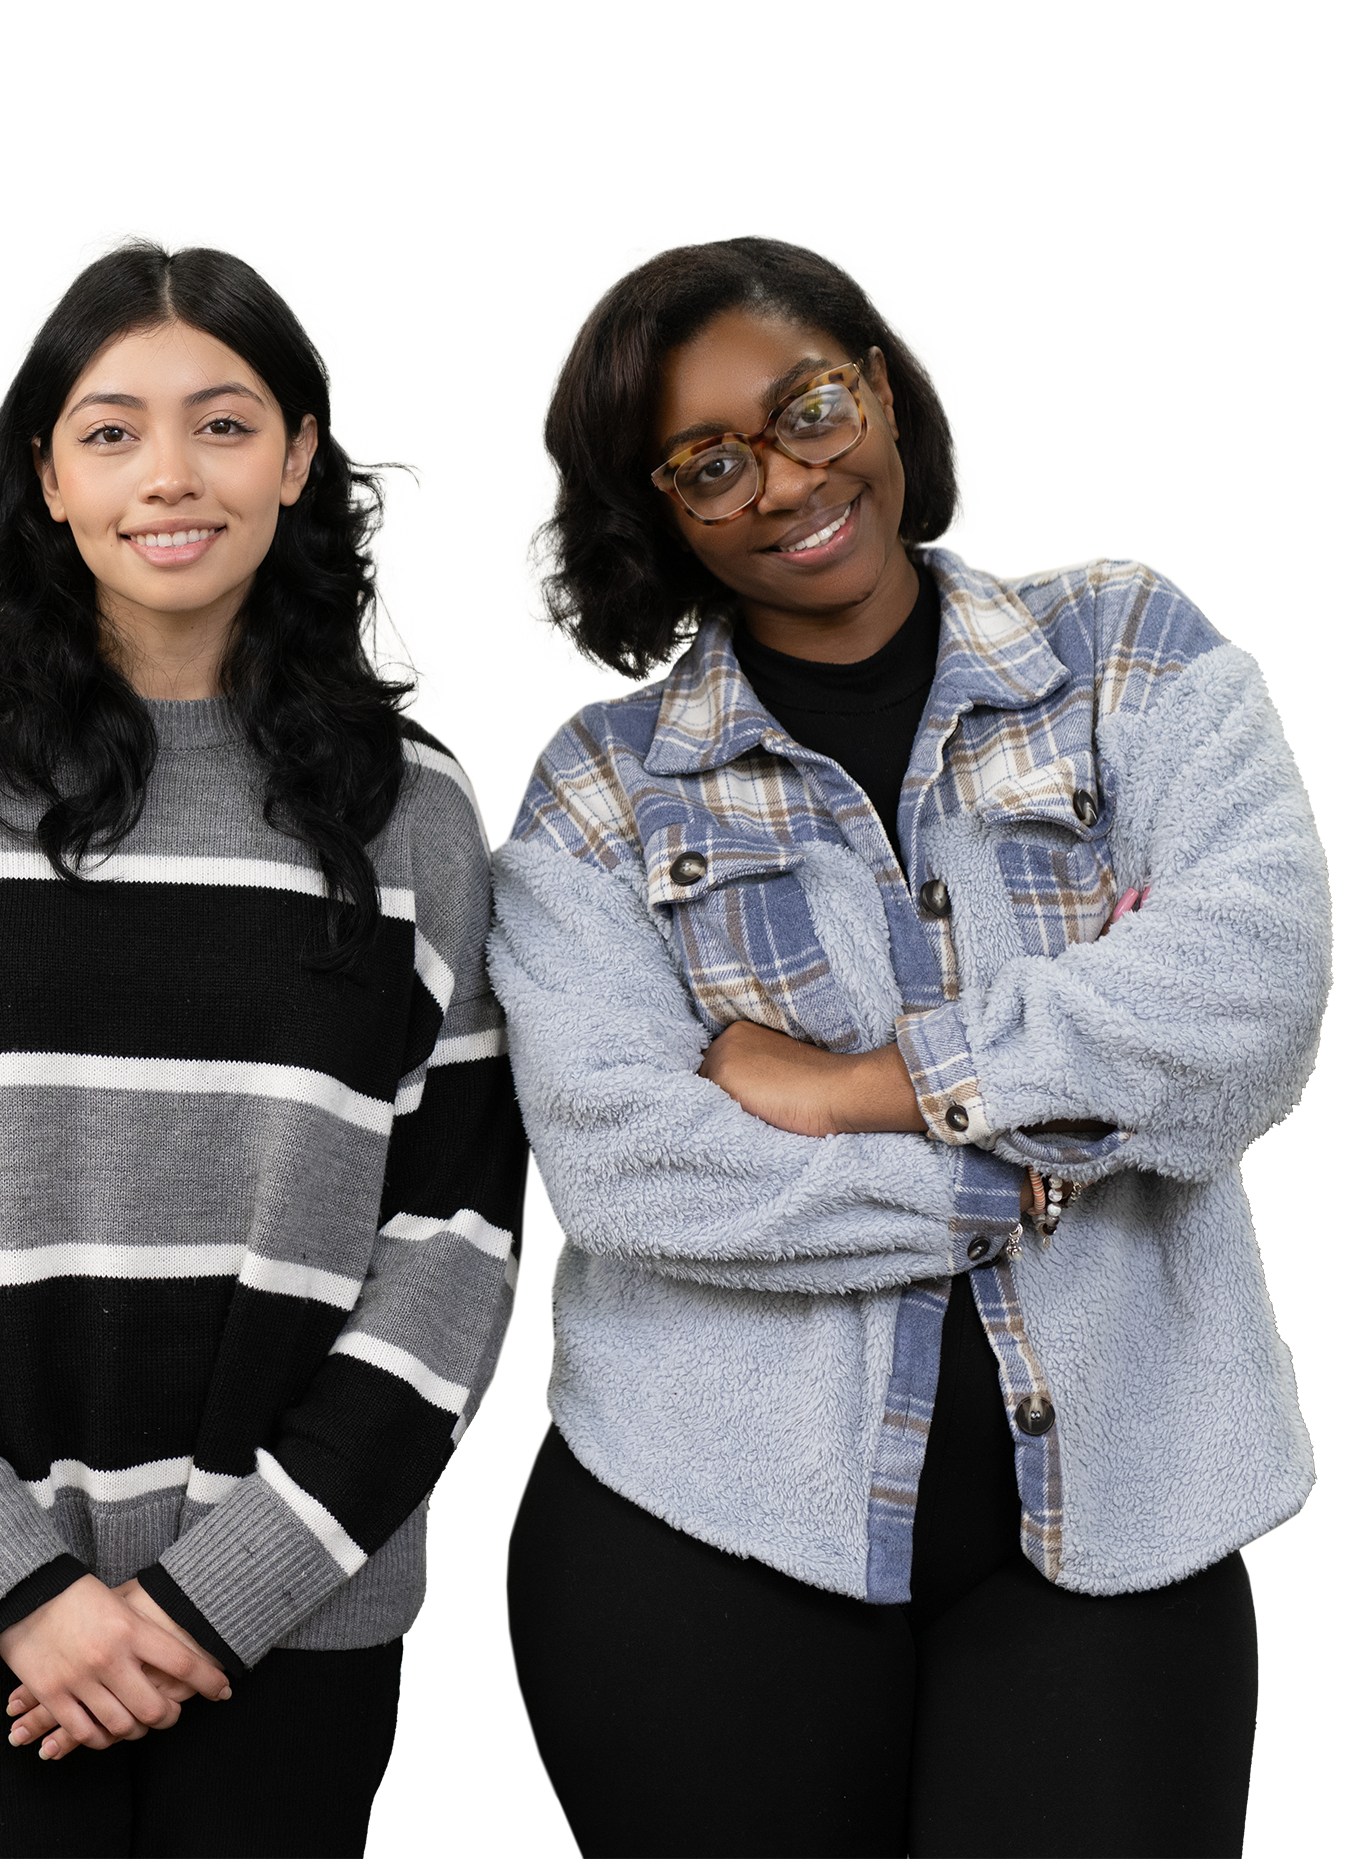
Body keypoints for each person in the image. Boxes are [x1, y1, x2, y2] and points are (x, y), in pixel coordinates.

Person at [489, 235, 1327, 1857]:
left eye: (810, 405)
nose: (789, 478)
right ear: (656, 510)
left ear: (876, 386)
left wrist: (853, 1088)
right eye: (708, 461)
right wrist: (1028, 1165)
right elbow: (624, 1166)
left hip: (1122, 1517)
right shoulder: (600, 788)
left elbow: (1252, 1000)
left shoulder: (1125, 658)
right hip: (703, 1524)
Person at [0, 238, 522, 1855]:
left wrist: (213, 1597)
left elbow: (457, 1237)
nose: (168, 475)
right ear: (44, 475)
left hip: (293, 1613)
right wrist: (24, 1590)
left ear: (302, 457)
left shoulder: (412, 807)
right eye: (110, 431)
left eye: (224, 423)